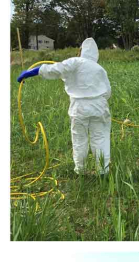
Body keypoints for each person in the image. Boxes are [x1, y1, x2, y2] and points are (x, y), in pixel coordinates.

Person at [17, 38, 112, 175]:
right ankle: (103, 171)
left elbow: (54, 69)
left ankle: (81, 170)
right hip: (99, 107)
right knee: (100, 138)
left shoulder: (75, 61)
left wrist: (31, 72)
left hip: (78, 108)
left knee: (79, 139)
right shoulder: (100, 69)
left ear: (81, 51)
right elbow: (107, 92)